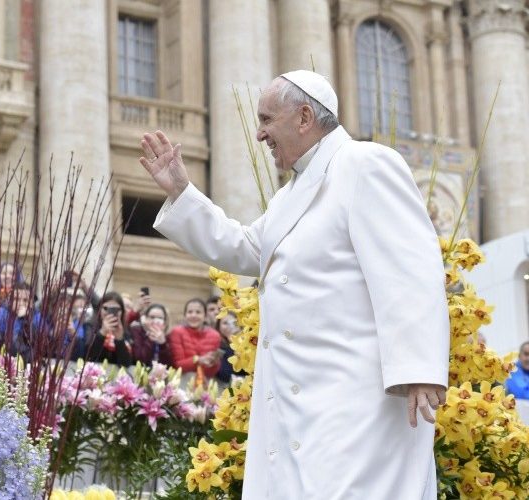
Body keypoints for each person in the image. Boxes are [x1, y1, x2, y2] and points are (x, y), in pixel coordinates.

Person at [139, 70, 449, 498]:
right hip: (298, 400)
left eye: (267, 120)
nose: (261, 134)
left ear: (304, 117)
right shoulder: (290, 195)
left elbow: (411, 269)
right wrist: (182, 191)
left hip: (359, 400)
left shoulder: (364, 164)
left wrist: (418, 370)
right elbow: (247, 248)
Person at [0, 281, 42, 362]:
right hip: (3, 363)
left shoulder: (38, 318)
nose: (20, 303)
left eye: (26, 300)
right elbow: (0, 345)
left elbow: (37, 347)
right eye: (16, 299)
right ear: (9, 299)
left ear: (32, 303)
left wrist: (25, 320)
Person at [168, 298, 222, 379]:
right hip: (181, 380)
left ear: (205, 316)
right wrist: (199, 360)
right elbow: (177, 364)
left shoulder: (215, 335)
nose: (194, 315)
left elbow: (211, 372)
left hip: (204, 382)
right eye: (190, 312)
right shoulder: (177, 332)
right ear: (185, 315)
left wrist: (214, 363)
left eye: (198, 312)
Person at [84, 291, 133, 366]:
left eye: (116, 309)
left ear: (122, 312)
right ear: (99, 309)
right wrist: (102, 333)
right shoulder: (90, 326)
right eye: (106, 308)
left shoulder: (125, 330)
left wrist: (119, 339)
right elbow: (88, 357)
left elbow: (126, 364)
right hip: (93, 373)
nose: (110, 312)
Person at [215, 312, 240, 384]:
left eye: (233, 322)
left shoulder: (246, 343)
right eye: (225, 323)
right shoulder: (216, 345)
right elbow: (224, 374)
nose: (230, 326)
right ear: (218, 326)